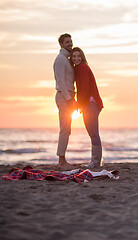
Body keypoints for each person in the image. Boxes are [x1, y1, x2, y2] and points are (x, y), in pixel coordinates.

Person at [69, 47, 104, 168]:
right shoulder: (79, 68)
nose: (76, 58)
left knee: (94, 133)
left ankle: (96, 162)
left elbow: (84, 89)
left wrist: (78, 104)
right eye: (74, 56)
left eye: (78, 56)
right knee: (92, 133)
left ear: (82, 57)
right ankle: (95, 161)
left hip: (91, 104)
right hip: (89, 104)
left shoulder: (82, 68)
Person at [53, 33, 76, 169]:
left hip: (68, 96)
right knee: (64, 129)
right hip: (63, 97)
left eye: (71, 41)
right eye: (67, 42)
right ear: (61, 44)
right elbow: (61, 81)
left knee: (67, 129)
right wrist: (69, 99)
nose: (70, 44)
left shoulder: (66, 59)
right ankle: (61, 161)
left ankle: (62, 159)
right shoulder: (60, 59)